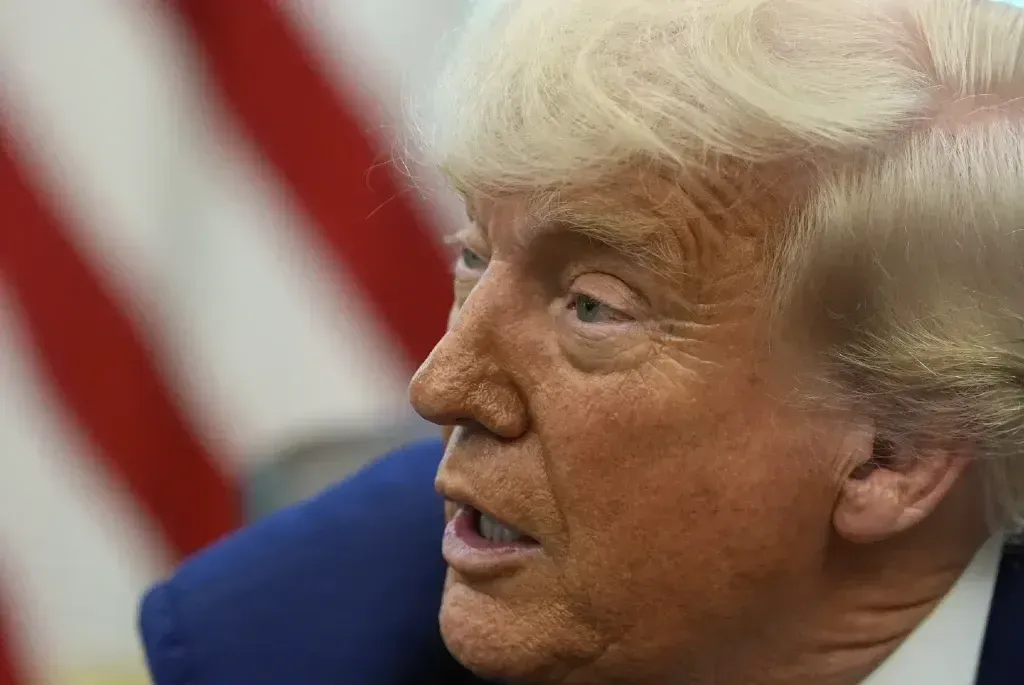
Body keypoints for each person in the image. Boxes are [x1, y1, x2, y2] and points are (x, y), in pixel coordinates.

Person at [140, 0, 1024, 683]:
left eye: (594, 307)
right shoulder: (292, 642)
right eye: (473, 255)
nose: (442, 387)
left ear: (896, 454)